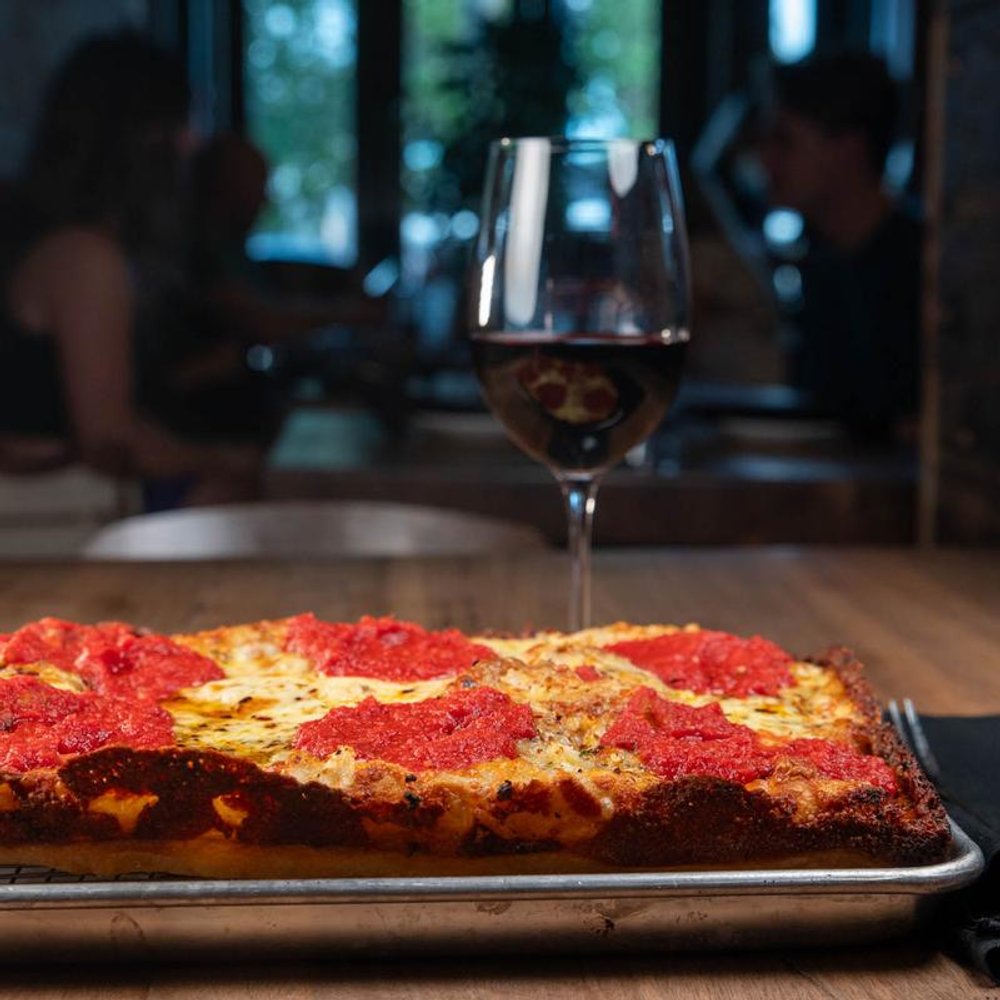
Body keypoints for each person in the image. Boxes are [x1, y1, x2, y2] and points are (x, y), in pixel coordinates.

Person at [0, 31, 260, 504]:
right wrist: (220, 461)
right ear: (137, 137)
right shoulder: (85, 259)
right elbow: (109, 439)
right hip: (53, 507)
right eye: (180, 123)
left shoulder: (68, 243)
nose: (193, 142)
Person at [760, 52, 921, 443]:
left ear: (848, 149)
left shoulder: (925, 272)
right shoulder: (823, 263)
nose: (766, 159)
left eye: (786, 140)